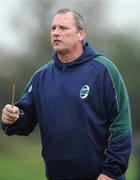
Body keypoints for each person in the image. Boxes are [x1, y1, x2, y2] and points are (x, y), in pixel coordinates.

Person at [1, 8, 132, 180]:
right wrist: (11, 118)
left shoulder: (104, 70)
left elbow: (121, 125)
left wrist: (110, 172)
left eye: (63, 28)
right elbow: (24, 121)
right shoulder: (41, 77)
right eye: (53, 28)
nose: (56, 33)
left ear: (81, 34)